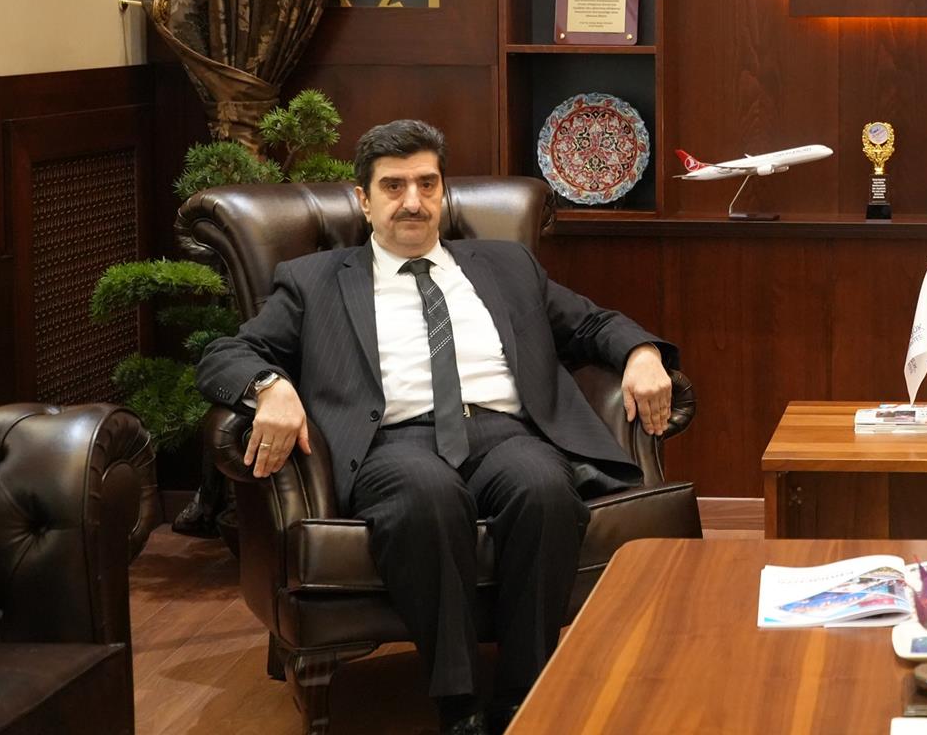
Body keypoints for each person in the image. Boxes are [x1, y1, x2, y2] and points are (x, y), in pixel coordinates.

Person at [197, 119, 678, 735]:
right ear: (364, 199)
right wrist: (270, 387)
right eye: (393, 186)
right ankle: (459, 704)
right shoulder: (315, 280)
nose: (413, 201)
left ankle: (526, 695)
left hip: (504, 432)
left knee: (543, 489)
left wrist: (642, 354)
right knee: (427, 496)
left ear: (443, 192)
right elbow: (226, 354)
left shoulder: (505, 265)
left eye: (427, 184)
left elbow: (592, 323)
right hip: (394, 443)